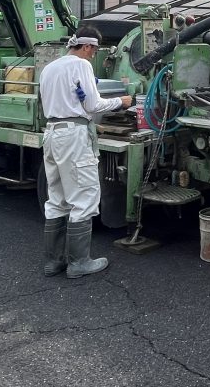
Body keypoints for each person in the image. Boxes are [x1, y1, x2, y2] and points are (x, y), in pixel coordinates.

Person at [39, 25, 133, 279]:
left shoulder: (50, 67)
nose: (94, 55)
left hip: (51, 133)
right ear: (88, 46)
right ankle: (79, 262)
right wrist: (121, 102)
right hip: (74, 135)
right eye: (95, 50)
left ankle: (53, 261)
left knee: (57, 197)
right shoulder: (81, 65)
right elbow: (92, 104)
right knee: (84, 195)